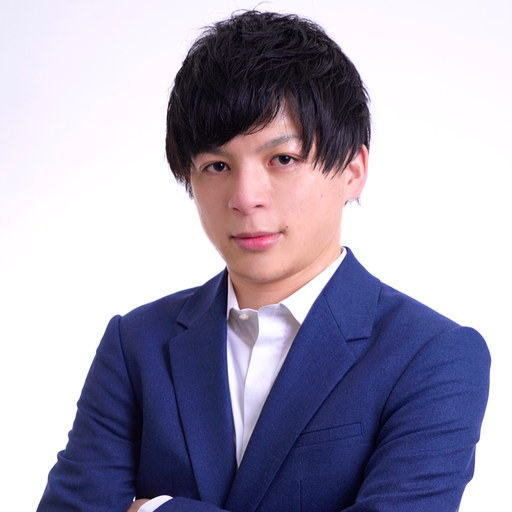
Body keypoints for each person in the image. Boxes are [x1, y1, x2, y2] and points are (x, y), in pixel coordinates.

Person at [37, 10, 490, 512]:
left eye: (283, 159)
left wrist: (154, 509)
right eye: (217, 166)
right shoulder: (137, 343)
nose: (245, 197)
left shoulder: (433, 355)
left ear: (353, 170)